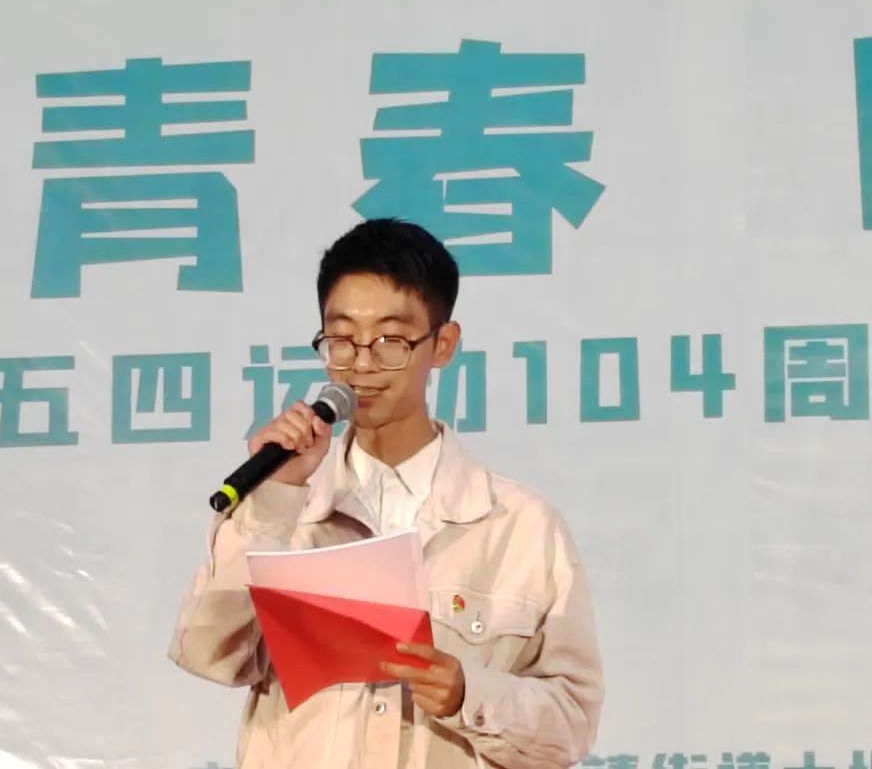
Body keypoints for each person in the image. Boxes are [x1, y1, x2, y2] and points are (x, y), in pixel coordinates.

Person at [169, 218, 603, 769]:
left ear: (442, 344)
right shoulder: (285, 507)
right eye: (342, 340)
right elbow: (207, 652)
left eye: (390, 341)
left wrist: (468, 694)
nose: (361, 365)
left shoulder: (520, 527)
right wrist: (274, 497)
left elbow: (571, 726)